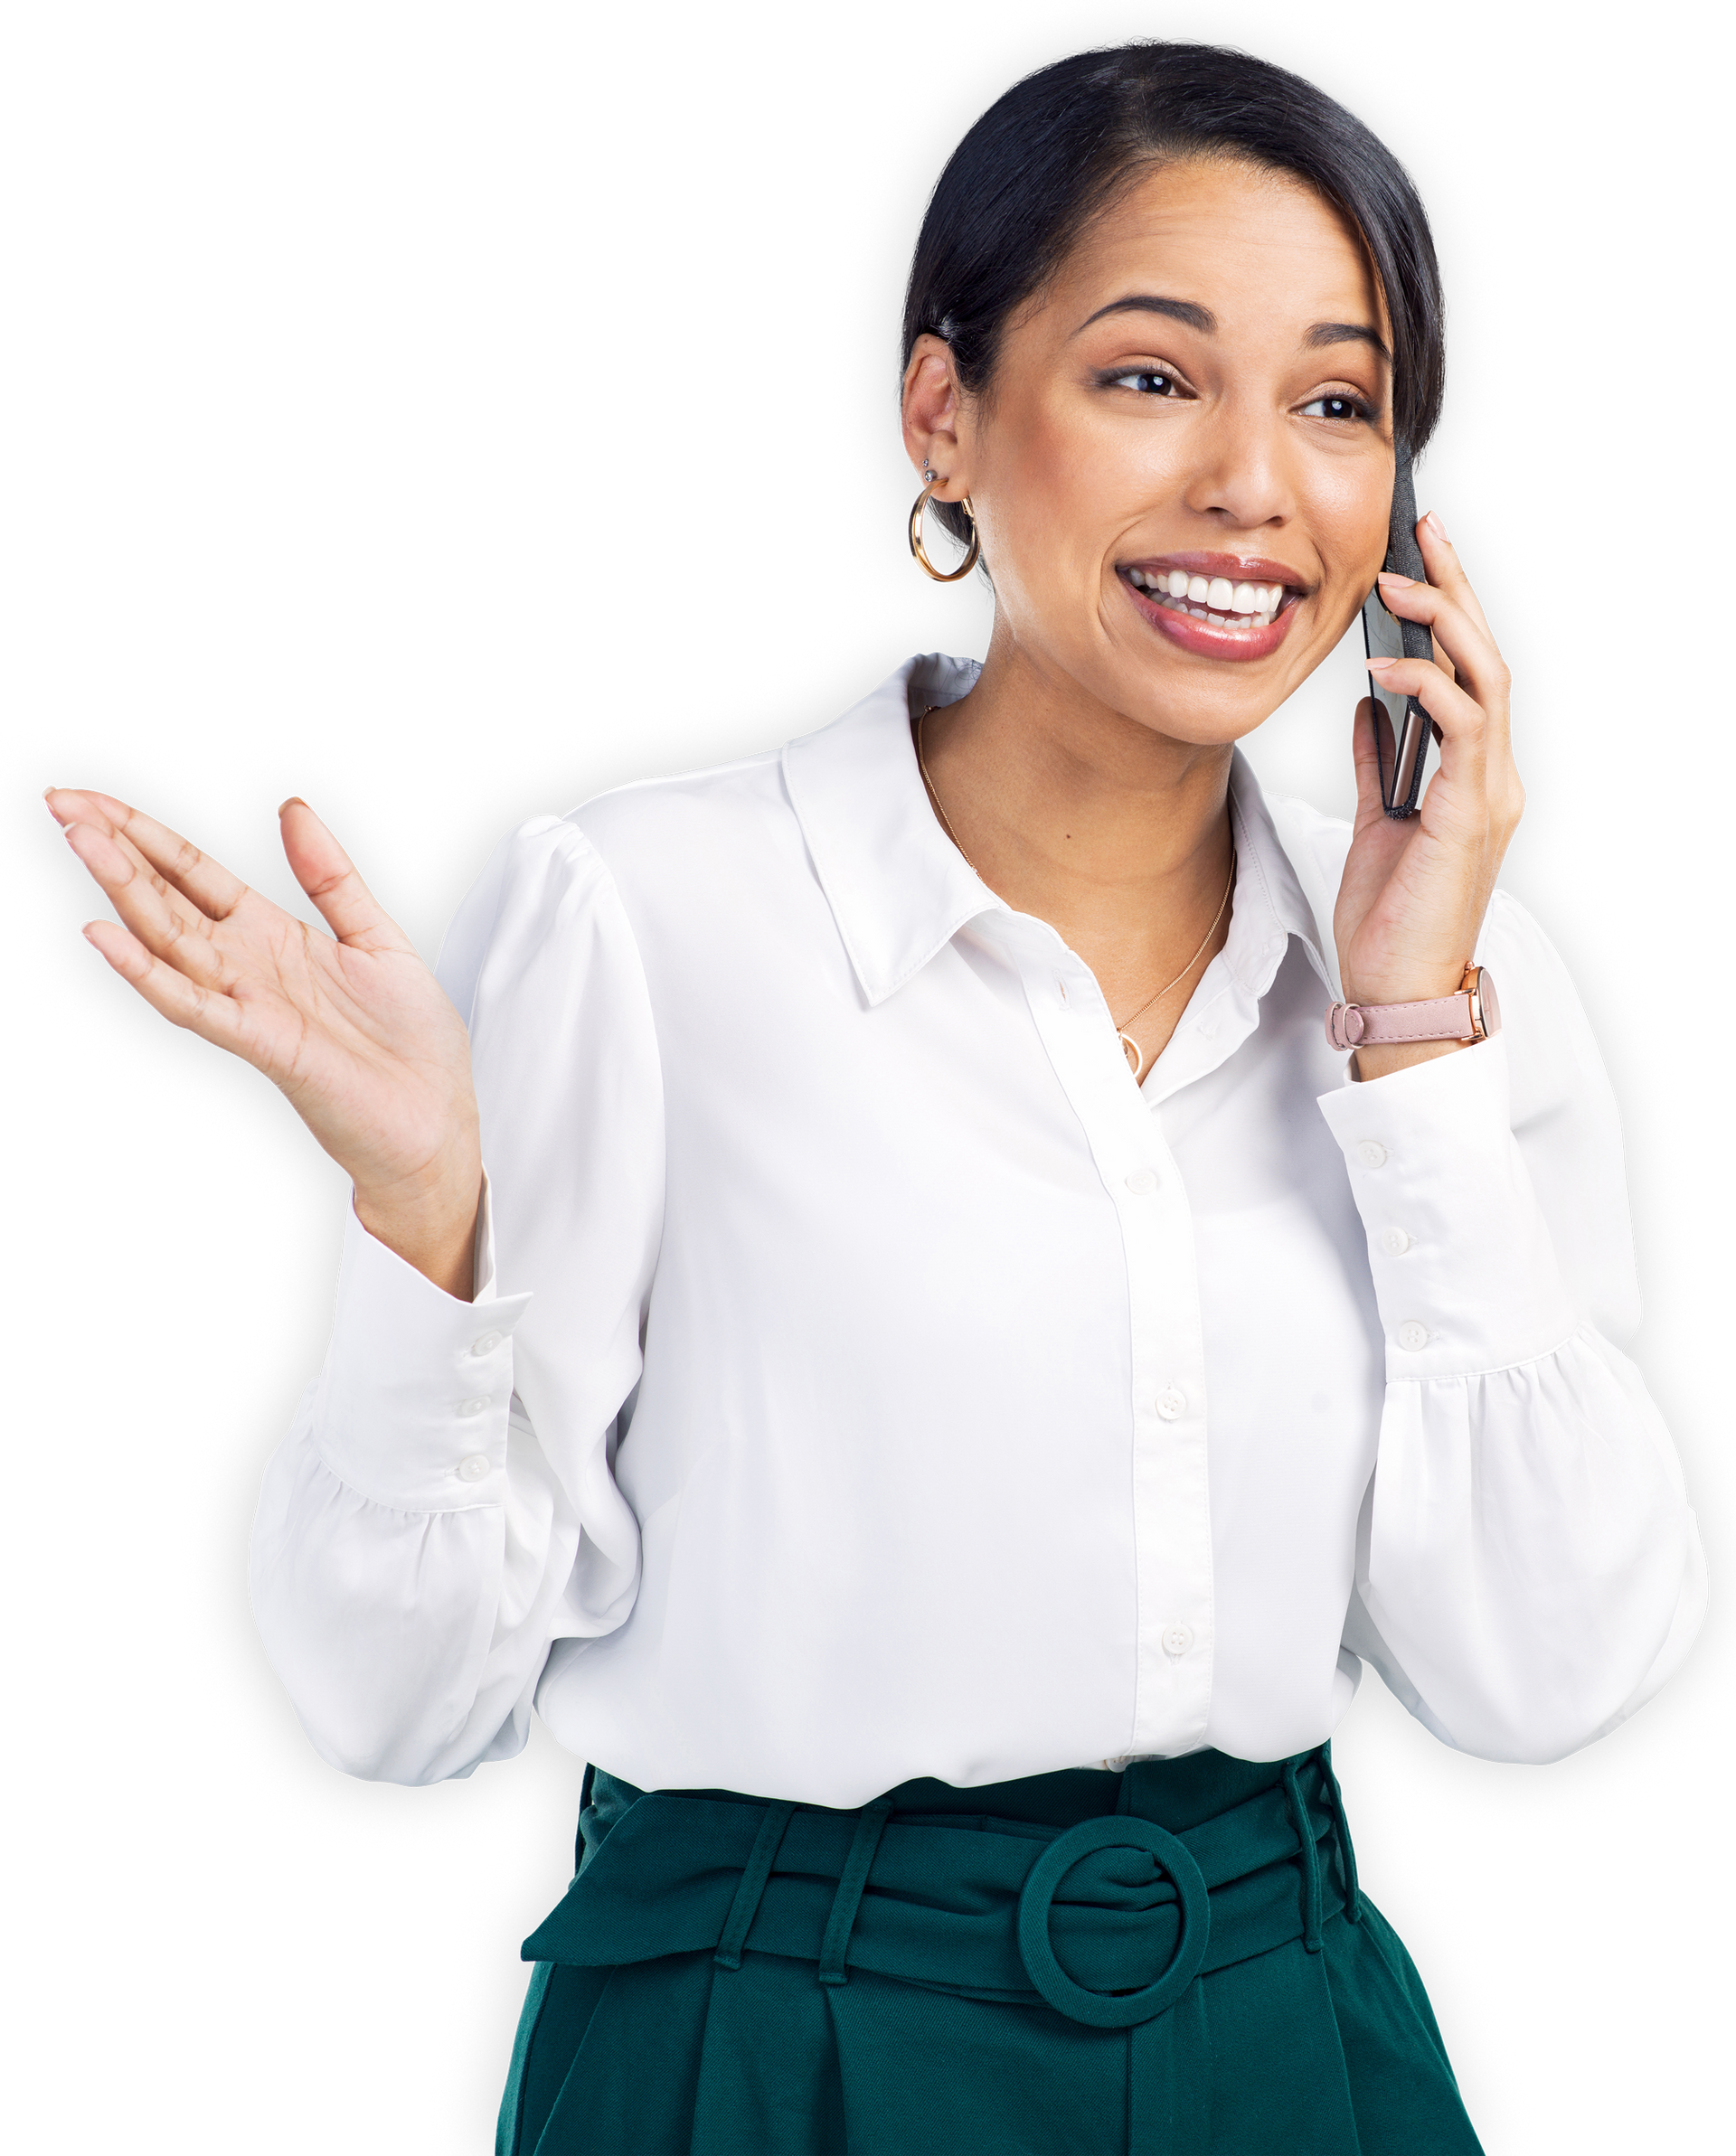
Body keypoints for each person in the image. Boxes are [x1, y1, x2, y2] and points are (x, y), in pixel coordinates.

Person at [44, 37, 1703, 2156]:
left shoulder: (1451, 969)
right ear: (945, 416)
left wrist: (1409, 1043)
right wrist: (431, 1212)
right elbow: (394, 1713)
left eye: (1338, 400)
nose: (1255, 488)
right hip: (763, 2046)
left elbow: (1550, 1680)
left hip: (1293, 2037)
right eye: (1149, 377)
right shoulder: (637, 916)